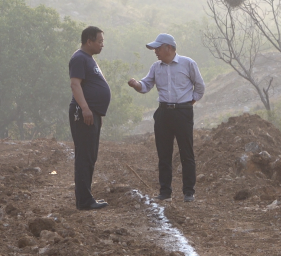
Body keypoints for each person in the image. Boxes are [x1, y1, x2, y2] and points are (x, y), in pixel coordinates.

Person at [128, 33, 205, 202]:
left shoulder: (188, 63)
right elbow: (146, 85)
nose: (155, 51)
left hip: (182, 113)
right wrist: (136, 85)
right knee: (164, 154)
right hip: (163, 113)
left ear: (168, 48)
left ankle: (188, 192)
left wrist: (191, 101)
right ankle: (165, 192)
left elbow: (199, 85)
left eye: (157, 48)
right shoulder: (156, 67)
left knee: (186, 152)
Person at [69, 26, 111, 210]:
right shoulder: (79, 58)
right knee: (85, 156)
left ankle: (86, 198)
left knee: (90, 156)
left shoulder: (88, 59)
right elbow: (75, 84)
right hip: (84, 113)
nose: (102, 45)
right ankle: (84, 201)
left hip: (92, 114)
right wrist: (85, 109)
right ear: (89, 41)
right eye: (100, 41)